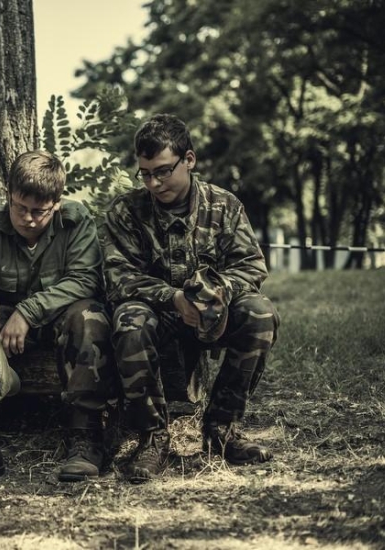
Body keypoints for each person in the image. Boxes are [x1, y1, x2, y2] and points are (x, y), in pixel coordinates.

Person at [100, 113, 280, 483]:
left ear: (189, 160)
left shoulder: (224, 205)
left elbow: (251, 266)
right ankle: (153, 437)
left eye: (163, 171)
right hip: (157, 315)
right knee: (129, 319)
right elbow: (119, 278)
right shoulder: (126, 210)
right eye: (145, 173)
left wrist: (217, 294)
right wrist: (173, 298)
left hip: (214, 315)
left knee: (260, 314)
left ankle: (222, 430)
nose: (153, 182)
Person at [0, 150, 113, 484]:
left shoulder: (76, 222)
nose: (29, 219)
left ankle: (85, 440)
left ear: (57, 203)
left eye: (39, 211)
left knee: (90, 316)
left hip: (57, 319)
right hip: (2, 323)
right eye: (20, 207)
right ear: (9, 195)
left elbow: (84, 280)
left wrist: (28, 311)